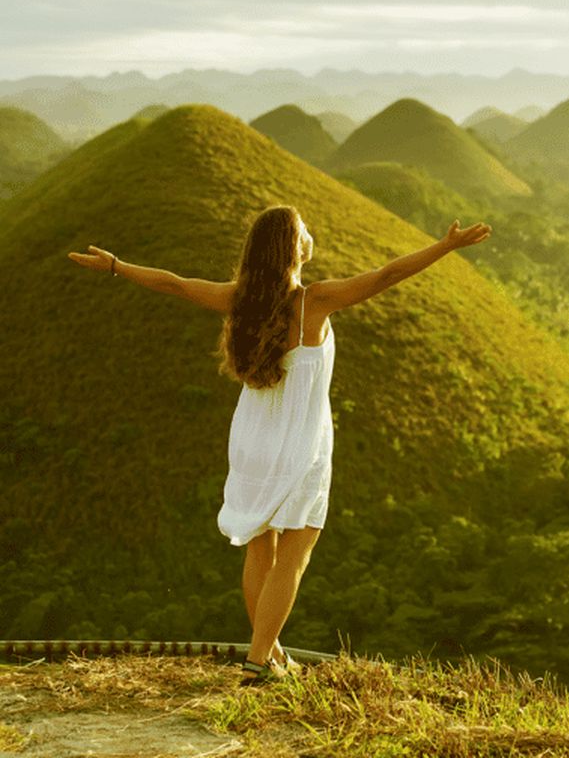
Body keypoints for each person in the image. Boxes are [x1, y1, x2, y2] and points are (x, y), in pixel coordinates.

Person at [67, 204, 492, 684]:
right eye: (305, 229)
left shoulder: (240, 299)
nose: (312, 233)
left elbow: (175, 283)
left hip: (251, 438)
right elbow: (387, 273)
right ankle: (257, 661)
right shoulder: (315, 301)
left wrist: (117, 266)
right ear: (296, 248)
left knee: (259, 549)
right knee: (294, 554)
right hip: (299, 443)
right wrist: (446, 246)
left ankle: (268, 656)